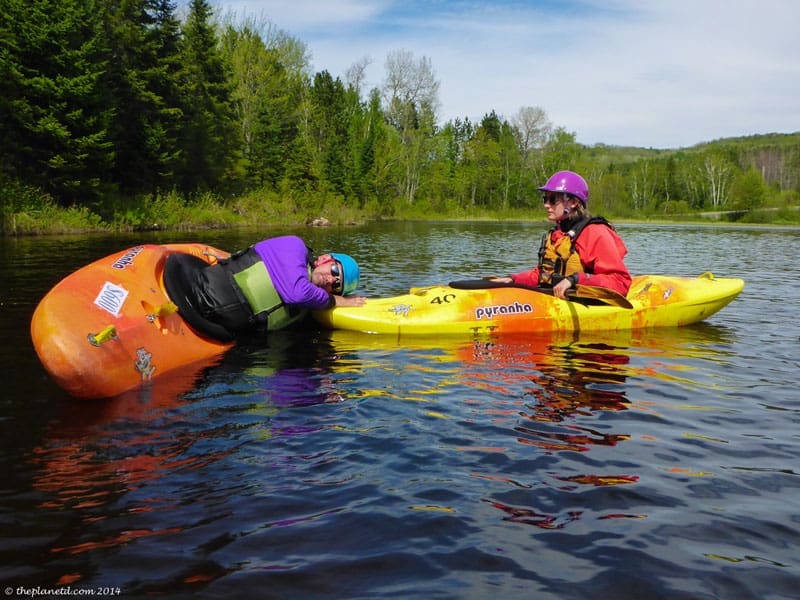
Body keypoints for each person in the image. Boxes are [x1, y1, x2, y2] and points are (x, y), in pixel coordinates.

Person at [165, 235, 365, 341]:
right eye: (334, 271)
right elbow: (296, 292)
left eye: (336, 286)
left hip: (217, 328)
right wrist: (336, 300)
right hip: (198, 293)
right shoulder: (294, 246)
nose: (331, 280)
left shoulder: (307, 310)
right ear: (324, 259)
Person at [491, 170, 631, 299]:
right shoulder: (558, 235)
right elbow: (544, 275)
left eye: (553, 200)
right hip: (558, 301)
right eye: (545, 199)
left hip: (588, 304)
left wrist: (574, 280)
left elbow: (621, 283)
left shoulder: (595, 232)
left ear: (574, 202)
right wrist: (512, 280)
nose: (546, 205)